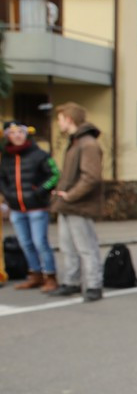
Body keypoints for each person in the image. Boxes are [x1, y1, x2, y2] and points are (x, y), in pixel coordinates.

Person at [49, 102, 104, 302]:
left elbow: (91, 177)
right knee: (68, 246)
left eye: (60, 119)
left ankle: (94, 285)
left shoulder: (87, 144)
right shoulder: (76, 142)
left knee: (86, 247)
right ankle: (71, 282)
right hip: (68, 204)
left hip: (79, 205)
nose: (59, 123)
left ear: (69, 120)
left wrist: (70, 195)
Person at [0, 120, 60, 292]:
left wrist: (40, 191)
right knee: (25, 243)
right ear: (7, 137)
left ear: (26, 134)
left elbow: (55, 175)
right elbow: (2, 178)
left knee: (40, 242)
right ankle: (35, 275)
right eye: (13, 133)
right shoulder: (7, 157)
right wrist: (8, 194)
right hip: (16, 208)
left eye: (20, 132)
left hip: (37, 208)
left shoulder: (39, 154)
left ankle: (50, 276)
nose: (17, 136)